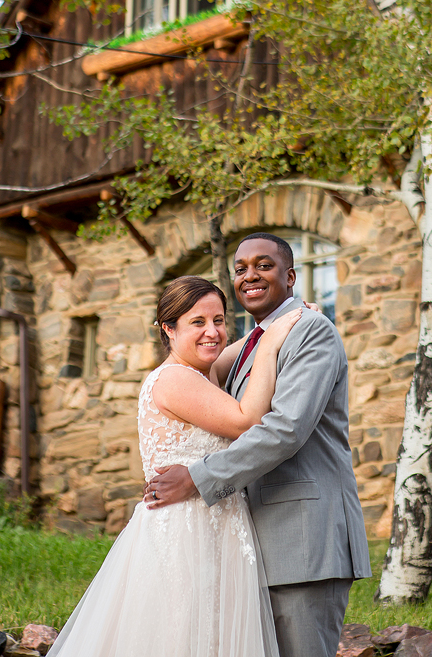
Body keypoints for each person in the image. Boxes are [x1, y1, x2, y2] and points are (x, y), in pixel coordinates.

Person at [47, 274, 302, 657]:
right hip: (185, 531)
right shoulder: (173, 380)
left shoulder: (205, 369)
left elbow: (242, 345)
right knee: (181, 635)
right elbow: (246, 420)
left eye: (218, 320)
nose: (212, 332)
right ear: (168, 328)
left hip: (218, 525)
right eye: (197, 323)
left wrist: (287, 319)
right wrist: (269, 347)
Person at [146, 232, 371, 657]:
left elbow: (285, 429)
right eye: (240, 268)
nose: (250, 275)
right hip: (252, 543)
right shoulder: (251, 343)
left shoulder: (311, 332)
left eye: (263, 265)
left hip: (303, 540)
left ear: (289, 276)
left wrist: (198, 478)